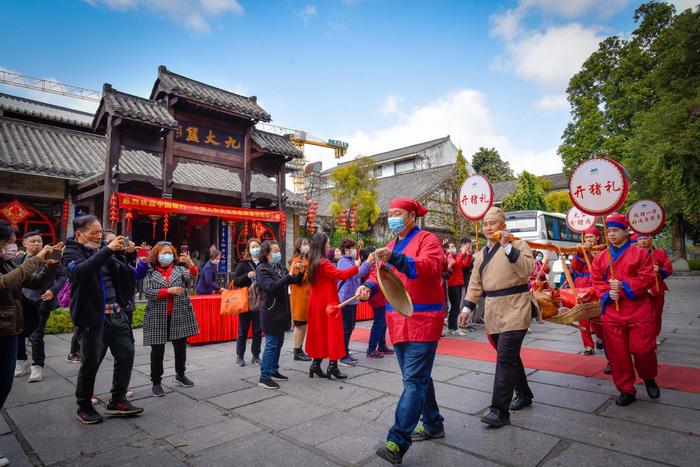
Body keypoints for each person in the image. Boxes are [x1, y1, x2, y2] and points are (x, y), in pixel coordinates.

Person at [357, 198, 446, 465]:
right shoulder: (391, 245)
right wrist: (368, 287)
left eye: (397, 213)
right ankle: (432, 423)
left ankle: (397, 440)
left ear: (411, 216)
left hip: (423, 319)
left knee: (413, 380)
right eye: (390, 214)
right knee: (417, 377)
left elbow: (430, 267)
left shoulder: (428, 240)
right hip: (397, 321)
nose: (392, 217)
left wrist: (394, 256)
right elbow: (379, 275)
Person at [460, 207, 537, 429]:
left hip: (516, 306)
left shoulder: (519, 245)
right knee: (509, 356)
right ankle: (524, 393)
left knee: (505, 357)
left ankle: (499, 410)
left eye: (492, 223)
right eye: (485, 224)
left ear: (502, 225)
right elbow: (475, 284)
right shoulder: (480, 254)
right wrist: (466, 309)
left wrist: (507, 246)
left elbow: (527, 271)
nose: (487, 228)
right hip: (493, 310)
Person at [62, 215, 143, 424]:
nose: (98, 237)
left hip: (116, 313)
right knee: (90, 362)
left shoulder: (104, 252)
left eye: (100, 232)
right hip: (92, 317)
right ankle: (84, 405)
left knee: (126, 355)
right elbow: (78, 272)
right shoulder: (71, 251)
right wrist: (107, 250)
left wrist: (129, 254)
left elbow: (128, 275)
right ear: (79, 234)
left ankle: (118, 400)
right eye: (94, 233)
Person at [0, 221, 58, 467]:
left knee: (3, 386)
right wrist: (38, 258)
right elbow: (7, 283)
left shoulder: (7, 261)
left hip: (9, 328)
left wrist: (50, 265)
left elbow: (32, 282)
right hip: (2, 329)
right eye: (9, 242)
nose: (12, 245)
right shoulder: (10, 264)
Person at [590, 214, 658, 406]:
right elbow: (596, 280)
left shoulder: (640, 254)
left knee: (643, 349)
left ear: (626, 232)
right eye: (608, 231)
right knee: (617, 353)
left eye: (615, 230)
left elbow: (646, 278)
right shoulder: (601, 257)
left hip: (638, 308)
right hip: (613, 311)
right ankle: (626, 389)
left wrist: (624, 286)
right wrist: (607, 294)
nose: (611, 234)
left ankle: (648, 376)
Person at [142, 242, 199, 397]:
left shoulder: (179, 269)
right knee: (157, 351)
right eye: (163, 253)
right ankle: (156, 382)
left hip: (178, 314)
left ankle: (180, 374)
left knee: (180, 348)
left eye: (169, 253)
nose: (167, 256)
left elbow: (193, 275)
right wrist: (168, 291)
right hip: (157, 316)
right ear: (156, 255)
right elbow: (147, 291)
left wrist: (190, 263)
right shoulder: (149, 272)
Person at [13, 230, 66, 383]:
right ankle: (20, 360)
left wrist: (52, 290)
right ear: (24, 243)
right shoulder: (18, 259)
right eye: (33, 241)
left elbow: (62, 276)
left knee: (37, 335)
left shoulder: (51, 256)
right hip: (21, 302)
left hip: (41, 300)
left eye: (39, 241)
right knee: (19, 333)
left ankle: (37, 365)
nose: (37, 244)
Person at [306, 232, 359, 380]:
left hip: (316, 303)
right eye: (328, 243)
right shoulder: (324, 262)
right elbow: (341, 275)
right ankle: (332, 367)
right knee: (334, 333)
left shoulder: (313, 261)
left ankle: (316, 364)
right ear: (322, 245)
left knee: (320, 333)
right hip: (328, 302)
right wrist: (357, 266)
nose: (329, 245)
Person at [256, 240, 304, 389]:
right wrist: (289, 275)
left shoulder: (278, 267)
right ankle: (264, 376)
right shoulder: (262, 269)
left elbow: (293, 281)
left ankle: (273, 370)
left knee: (279, 343)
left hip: (282, 311)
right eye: (275, 251)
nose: (278, 254)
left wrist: (300, 272)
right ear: (266, 253)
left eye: (279, 251)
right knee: (271, 344)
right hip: (270, 312)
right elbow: (271, 287)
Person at [337, 238, 372, 366]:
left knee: (350, 327)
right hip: (346, 299)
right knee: (346, 328)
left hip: (351, 299)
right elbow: (358, 273)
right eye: (352, 248)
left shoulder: (350, 261)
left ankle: (345, 351)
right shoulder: (343, 262)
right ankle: (342, 355)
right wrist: (367, 262)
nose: (353, 251)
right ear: (346, 250)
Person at [571, 227, 604, 355]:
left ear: (597, 238)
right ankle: (588, 346)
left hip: (597, 287)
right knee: (583, 316)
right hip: (581, 287)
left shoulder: (603, 250)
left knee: (596, 316)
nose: (589, 239)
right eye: (587, 237)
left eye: (591, 237)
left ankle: (600, 337)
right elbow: (574, 267)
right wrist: (580, 253)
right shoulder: (580, 250)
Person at [635, 233, 673, 342]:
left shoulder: (660, 253)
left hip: (656, 287)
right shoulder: (634, 253)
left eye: (645, 238)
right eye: (640, 239)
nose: (642, 241)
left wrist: (660, 270)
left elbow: (669, 268)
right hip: (639, 288)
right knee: (641, 314)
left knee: (656, 313)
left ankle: (654, 335)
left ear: (650, 238)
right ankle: (642, 334)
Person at [233, 238, 263, 367]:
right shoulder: (244, 263)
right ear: (248, 249)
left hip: (260, 301)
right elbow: (236, 281)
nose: (255, 249)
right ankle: (240, 356)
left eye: (257, 246)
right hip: (246, 300)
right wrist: (247, 276)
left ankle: (256, 356)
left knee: (258, 330)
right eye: (253, 247)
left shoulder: (263, 262)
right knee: (242, 330)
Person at [363, 247, 394, 358]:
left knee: (382, 323)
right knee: (378, 323)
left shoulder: (376, 264)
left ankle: (382, 345)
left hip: (381, 298)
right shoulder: (372, 266)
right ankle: (371, 349)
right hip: (377, 299)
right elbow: (374, 278)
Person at [289, 237, 312, 361]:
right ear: (298, 246)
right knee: (299, 324)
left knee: (304, 324)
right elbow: (297, 279)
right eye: (304, 244)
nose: (306, 246)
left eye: (307, 243)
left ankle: (299, 349)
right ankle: (297, 351)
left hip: (307, 295)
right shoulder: (296, 260)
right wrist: (307, 272)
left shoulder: (307, 259)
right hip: (300, 296)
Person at [445, 241, 467, 336]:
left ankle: (451, 327)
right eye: (452, 247)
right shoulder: (449, 257)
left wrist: (468, 254)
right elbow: (457, 264)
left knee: (456, 307)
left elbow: (464, 264)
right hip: (453, 284)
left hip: (458, 283)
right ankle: (454, 327)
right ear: (447, 249)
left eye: (454, 246)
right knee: (455, 307)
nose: (454, 248)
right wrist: (462, 252)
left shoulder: (455, 257)